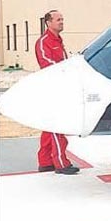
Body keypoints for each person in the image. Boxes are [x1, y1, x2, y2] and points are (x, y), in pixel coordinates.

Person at [35, 10, 80, 175]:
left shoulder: (58, 41)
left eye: (62, 19)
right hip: (52, 89)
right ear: (48, 22)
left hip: (60, 87)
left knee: (49, 127)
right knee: (57, 125)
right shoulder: (43, 42)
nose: (62, 22)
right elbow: (47, 63)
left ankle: (45, 162)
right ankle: (61, 163)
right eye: (58, 19)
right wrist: (66, 69)